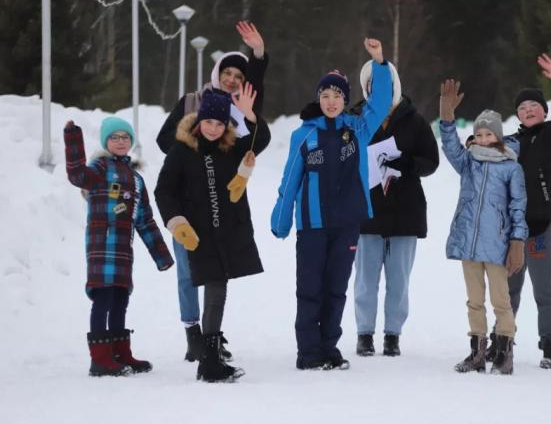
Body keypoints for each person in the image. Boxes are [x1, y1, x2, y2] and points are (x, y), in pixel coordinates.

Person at [270, 38, 391, 370]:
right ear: (318, 99)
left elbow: (381, 103)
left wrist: (379, 62)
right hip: (312, 225)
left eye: (337, 95)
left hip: (347, 222)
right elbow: (290, 180)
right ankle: (308, 352)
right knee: (311, 289)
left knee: (336, 289)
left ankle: (328, 348)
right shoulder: (304, 135)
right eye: (325, 95)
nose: (331, 101)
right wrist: (281, 221)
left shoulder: (357, 129)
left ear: (346, 100)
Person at [155, 21, 268, 362]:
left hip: (220, 203)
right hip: (187, 200)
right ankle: (194, 335)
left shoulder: (240, 109)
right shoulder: (192, 101)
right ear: (217, 72)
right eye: (228, 73)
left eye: (239, 75)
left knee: (218, 269)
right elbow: (164, 142)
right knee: (189, 270)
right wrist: (192, 141)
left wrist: (259, 54)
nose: (232, 79)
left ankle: (211, 335)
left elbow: (255, 142)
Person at [64, 116, 174, 377]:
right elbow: (78, 175)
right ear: (106, 142)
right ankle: (100, 359)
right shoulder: (99, 168)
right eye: (115, 137)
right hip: (102, 246)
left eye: (125, 137)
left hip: (124, 250)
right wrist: (73, 138)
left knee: (120, 299)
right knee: (103, 298)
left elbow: (145, 220)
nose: (121, 142)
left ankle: (119, 353)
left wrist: (162, 255)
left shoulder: (136, 179)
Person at [489, 53, 551, 370]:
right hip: (513, 230)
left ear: (543, 111)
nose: (527, 111)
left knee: (544, 289)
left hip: (539, 226)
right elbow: (484, 149)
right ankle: (502, 340)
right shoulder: (511, 142)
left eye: (533, 106)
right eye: (522, 108)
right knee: (509, 288)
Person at [438, 79, 527, 375]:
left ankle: (504, 353)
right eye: (479, 133)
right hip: (469, 243)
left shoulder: (511, 167)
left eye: (489, 133)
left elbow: (518, 207)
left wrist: (517, 241)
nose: (484, 137)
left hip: (497, 244)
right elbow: (449, 146)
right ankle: (477, 352)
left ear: (498, 137)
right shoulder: (468, 163)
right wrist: (447, 116)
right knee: (474, 300)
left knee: (501, 301)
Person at [351, 60, 439, 357]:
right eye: (374, 87)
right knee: (365, 279)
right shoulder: (355, 118)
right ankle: (364, 333)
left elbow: (431, 162)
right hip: (367, 213)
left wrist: (408, 164)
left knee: (399, 280)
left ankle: (392, 334)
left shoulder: (416, 121)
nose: (381, 92)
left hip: (405, 211)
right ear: (366, 88)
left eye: (386, 86)